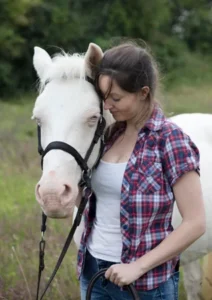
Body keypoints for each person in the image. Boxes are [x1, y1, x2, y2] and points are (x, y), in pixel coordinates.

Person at [77, 43, 206, 300]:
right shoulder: (109, 136)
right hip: (93, 272)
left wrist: (138, 266)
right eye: (104, 97)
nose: (108, 105)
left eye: (116, 98)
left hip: (145, 284)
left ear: (143, 92)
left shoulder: (170, 140)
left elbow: (196, 222)